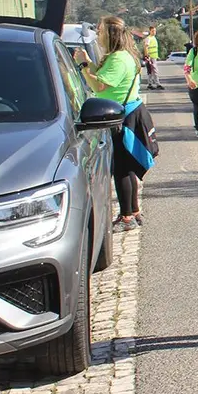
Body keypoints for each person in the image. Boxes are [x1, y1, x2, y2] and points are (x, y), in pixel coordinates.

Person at [73, 16, 145, 232]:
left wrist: (84, 65)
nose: (97, 34)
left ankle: (126, 218)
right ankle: (133, 211)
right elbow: (104, 77)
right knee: (128, 168)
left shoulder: (117, 59)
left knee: (121, 169)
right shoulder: (123, 56)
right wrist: (91, 63)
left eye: (100, 30)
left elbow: (100, 85)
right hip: (126, 113)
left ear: (110, 34)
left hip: (118, 117)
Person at [142, 25, 162, 90]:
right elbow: (146, 47)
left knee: (151, 70)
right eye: (153, 31)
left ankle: (150, 84)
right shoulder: (149, 38)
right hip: (150, 57)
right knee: (154, 70)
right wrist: (146, 56)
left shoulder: (154, 38)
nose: (154, 32)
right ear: (150, 31)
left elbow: (154, 48)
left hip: (154, 57)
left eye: (155, 31)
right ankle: (157, 84)